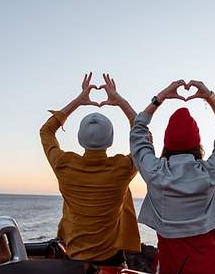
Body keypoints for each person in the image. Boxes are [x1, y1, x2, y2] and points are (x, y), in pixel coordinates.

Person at [130, 79, 215, 274]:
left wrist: (160, 97)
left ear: (166, 144)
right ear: (197, 145)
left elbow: (138, 131)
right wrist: (210, 97)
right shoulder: (210, 173)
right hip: (205, 263)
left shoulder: (154, 172)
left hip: (170, 262)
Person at [40, 72, 140, 264]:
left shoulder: (63, 164)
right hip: (112, 260)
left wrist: (78, 101)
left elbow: (46, 131)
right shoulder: (123, 168)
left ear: (79, 138)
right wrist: (121, 102)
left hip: (73, 260)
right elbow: (144, 138)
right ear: (110, 140)